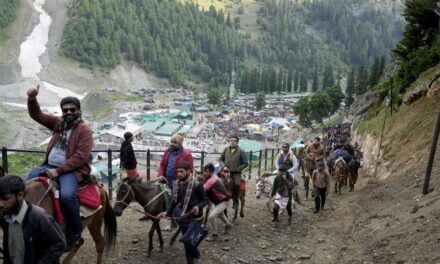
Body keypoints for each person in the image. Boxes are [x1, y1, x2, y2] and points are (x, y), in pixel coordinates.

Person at [25, 86, 93, 251]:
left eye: (72, 109)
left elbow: (80, 157)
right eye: (65, 110)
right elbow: (38, 115)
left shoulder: (84, 130)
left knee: (67, 195)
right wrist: (32, 100)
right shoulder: (59, 123)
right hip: (49, 165)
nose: (69, 112)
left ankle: (75, 231)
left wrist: (58, 171)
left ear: (78, 111)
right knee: (26, 182)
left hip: (71, 170)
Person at [0, 175, 66, 263]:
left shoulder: (40, 218)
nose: (1, 204)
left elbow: (59, 244)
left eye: (5, 199)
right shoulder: (4, 216)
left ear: (20, 195)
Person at [157, 162, 209, 264]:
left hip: (195, 218)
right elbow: (174, 201)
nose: (179, 174)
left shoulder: (197, 185)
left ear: (188, 171)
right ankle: (190, 260)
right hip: (183, 216)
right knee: (187, 241)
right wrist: (167, 213)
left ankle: (196, 255)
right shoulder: (178, 184)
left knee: (191, 240)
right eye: (178, 172)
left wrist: (198, 206)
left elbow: (205, 200)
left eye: (181, 172)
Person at [156, 133, 193, 226]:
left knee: (174, 199)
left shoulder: (186, 154)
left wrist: (183, 182)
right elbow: (162, 165)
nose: (172, 144)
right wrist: (160, 175)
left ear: (180, 144)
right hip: (165, 179)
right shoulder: (167, 152)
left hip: (177, 181)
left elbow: (189, 170)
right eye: (171, 141)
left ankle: (175, 221)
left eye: (175, 142)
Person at [219, 134, 248, 219]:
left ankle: (235, 200)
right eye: (231, 140)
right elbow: (221, 159)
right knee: (217, 181)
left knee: (236, 184)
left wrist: (238, 169)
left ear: (237, 142)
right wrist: (223, 166)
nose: (232, 142)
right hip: (225, 171)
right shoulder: (226, 149)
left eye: (234, 141)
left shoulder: (241, 151)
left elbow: (245, 163)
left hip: (236, 173)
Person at [201, 163, 233, 242]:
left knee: (212, 216)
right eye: (204, 171)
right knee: (220, 214)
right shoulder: (214, 176)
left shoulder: (211, 180)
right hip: (221, 201)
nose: (204, 173)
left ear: (210, 172)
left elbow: (201, 190)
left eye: (206, 171)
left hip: (224, 201)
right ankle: (228, 225)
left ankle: (214, 235)